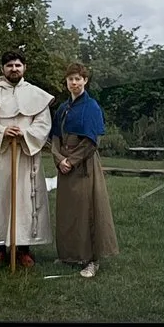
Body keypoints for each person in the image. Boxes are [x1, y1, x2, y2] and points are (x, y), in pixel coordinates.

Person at [0, 49, 51, 270]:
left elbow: (43, 123)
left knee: (27, 202)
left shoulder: (36, 94)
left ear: (24, 68)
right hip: (3, 156)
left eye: (18, 65)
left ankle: (23, 250)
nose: (14, 69)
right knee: (1, 200)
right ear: (2, 69)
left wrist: (25, 134)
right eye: (9, 65)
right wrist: (2, 132)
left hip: (28, 156)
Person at [51, 63, 119, 278]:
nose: (74, 83)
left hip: (83, 164)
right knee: (68, 212)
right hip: (65, 165)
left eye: (78, 79)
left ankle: (92, 260)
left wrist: (71, 161)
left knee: (88, 210)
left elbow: (91, 141)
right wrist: (60, 159)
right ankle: (69, 254)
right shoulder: (63, 108)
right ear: (66, 82)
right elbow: (54, 139)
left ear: (85, 81)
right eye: (71, 79)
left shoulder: (91, 107)